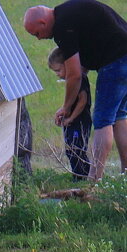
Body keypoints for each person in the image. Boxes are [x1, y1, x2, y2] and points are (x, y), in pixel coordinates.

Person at [24, 0, 127, 181]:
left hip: (117, 59)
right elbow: (85, 57)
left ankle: (94, 179)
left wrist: (66, 107)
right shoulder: (68, 13)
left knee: (103, 120)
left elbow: (74, 74)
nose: (39, 38)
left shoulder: (63, 26)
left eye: (37, 33)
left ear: (43, 22)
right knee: (119, 115)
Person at [47, 48, 91, 180]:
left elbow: (83, 100)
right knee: (70, 150)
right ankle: (76, 175)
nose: (57, 74)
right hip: (71, 122)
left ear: (68, 65)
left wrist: (71, 117)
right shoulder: (70, 81)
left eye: (58, 70)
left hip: (80, 121)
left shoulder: (79, 78)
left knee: (77, 149)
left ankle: (82, 176)